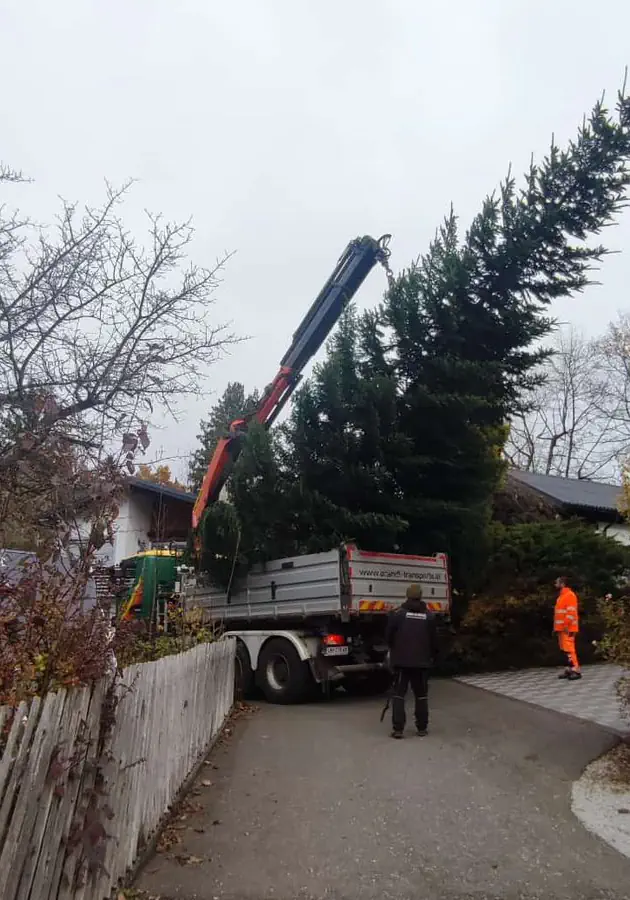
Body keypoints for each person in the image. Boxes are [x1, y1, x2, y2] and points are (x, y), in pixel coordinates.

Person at [385, 583, 439, 739]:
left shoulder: (398, 615)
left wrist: (394, 651)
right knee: (421, 695)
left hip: (401, 662)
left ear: (407, 596)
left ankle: (398, 729)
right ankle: (422, 728)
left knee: (399, 695)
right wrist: (433, 658)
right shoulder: (429, 616)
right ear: (421, 596)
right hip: (421, 663)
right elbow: (435, 641)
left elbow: (388, 636)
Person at [553, 576, 582, 680]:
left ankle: (576, 670)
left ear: (563, 584)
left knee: (569, 649)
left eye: (557, 582)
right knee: (564, 650)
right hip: (562, 628)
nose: (555, 584)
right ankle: (568, 669)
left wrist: (565, 625)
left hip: (568, 628)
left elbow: (571, 612)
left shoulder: (569, 595)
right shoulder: (561, 596)